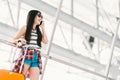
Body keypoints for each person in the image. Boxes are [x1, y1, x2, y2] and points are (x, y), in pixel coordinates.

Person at [12, 10, 48, 80]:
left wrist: (43, 28)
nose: (41, 18)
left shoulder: (39, 31)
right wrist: (20, 41)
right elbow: (14, 40)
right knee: (21, 77)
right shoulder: (25, 28)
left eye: (41, 16)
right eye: (39, 16)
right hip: (26, 55)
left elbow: (45, 41)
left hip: (36, 56)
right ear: (33, 16)